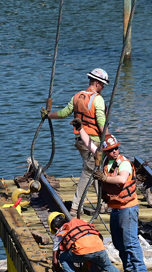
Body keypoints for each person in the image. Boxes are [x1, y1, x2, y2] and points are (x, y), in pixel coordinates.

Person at [79, 130, 149, 272]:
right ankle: (129, 270)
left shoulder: (123, 162)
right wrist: (81, 128)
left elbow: (122, 178)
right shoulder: (104, 160)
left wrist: (105, 178)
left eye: (116, 148)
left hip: (128, 207)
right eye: (111, 150)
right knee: (118, 241)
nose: (115, 151)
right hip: (116, 207)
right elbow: (91, 146)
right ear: (105, 151)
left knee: (130, 241)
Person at [43, 68, 109, 217]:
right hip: (93, 142)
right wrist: (109, 138)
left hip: (81, 140)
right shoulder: (97, 99)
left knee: (97, 171)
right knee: (89, 171)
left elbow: (64, 113)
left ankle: (102, 203)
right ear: (97, 83)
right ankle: (75, 206)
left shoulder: (77, 96)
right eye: (103, 84)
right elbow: (101, 122)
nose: (103, 87)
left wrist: (48, 116)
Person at [50, 212, 137, 272]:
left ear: (56, 228)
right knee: (108, 266)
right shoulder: (80, 222)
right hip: (99, 247)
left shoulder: (60, 233)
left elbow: (55, 260)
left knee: (62, 258)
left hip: (83, 252)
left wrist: (58, 271)